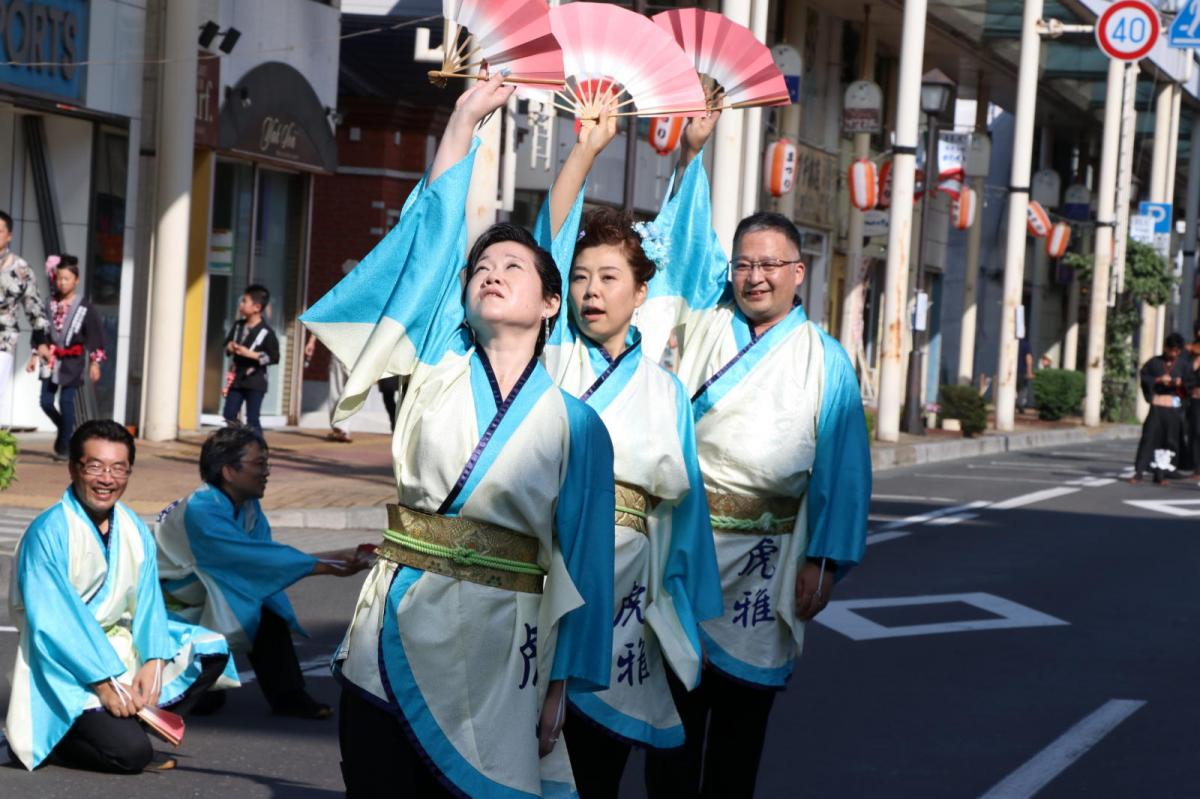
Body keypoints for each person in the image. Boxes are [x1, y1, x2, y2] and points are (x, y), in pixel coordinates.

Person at [301, 73, 615, 798]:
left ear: (551, 303)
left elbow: (587, 567)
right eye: (482, 267)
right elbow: (434, 240)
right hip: (395, 627)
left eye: (514, 265)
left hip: (504, 648)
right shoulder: (439, 363)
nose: (490, 273)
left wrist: (559, 685)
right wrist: (465, 117)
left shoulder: (577, 423)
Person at [638, 114, 872, 799]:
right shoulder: (705, 323)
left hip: (765, 567)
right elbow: (679, 248)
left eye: (771, 264)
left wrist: (824, 560)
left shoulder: (825, 361)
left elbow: (843, 474)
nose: (754, 276)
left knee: (740, 735)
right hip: (684, 552)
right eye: (743, 263)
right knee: (672, 727)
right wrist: (691, 150)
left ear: (799, 273)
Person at [532, 111, 723, 797]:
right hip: (549, 571)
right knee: (537, 751)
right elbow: (545, 242)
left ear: (641, 294)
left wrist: (682, 599)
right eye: (581, 277)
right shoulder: (550, 355)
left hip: (627, 592)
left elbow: (684, 506)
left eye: (609, 278)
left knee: (602, 756)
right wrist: (586, 150)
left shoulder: (665, 388)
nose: (591, 292)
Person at [4, 420, 237, 773]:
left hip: (118, 648)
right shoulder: (49, 532)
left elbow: (148, 602)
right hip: (65, 662)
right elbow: (55, 624)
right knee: (130, 756)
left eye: (118, 468)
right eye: (95, 466)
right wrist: (105, 682)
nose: (107, 479)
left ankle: (128, 719)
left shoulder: (130, 526)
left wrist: (153, 661)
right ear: (74, 468)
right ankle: (61, 741)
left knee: (210, 648)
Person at [155, 426, 367, 719]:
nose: (266, 471)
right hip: (174, 607)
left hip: (205, 596)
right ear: (229, 471)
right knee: (203, 701)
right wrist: (327, 567)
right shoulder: (201, 510)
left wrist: (335, 558)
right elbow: (254, 560)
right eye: (260, 464)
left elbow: (264, 556)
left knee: (267, 608)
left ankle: (288, 695)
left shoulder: (247, 506)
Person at [27, 256, 106, 460]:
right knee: (45, 401)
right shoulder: (48, 304)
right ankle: (66, 431)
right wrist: (35, 354)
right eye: (59, 278)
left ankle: (64, 448)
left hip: (73, 360)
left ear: (76, 280)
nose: (62, 283)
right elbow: (39, 330)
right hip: (51, 358)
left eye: (67, 279)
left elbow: (95, 335)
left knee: (67, 401)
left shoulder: (84, 307)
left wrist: (95, 363)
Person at [0, 210, 50, 412]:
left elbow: (34, 307)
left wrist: (42, 343)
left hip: (3, 338)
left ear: (9, 235)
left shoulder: (22, 268)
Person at [1132, 332, 1192, 484]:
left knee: (1169, 441)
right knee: (1149, 438)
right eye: (1171, 350)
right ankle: (1139, 471)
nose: (1174, 353)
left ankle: (1161, 474)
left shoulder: (1184, 365)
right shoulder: (1154, 363)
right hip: (1157, 407)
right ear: (1165, 348)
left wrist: (1180, 384)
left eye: (1177, 351)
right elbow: (1145, 377)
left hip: (1173, 407)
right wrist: (1158, 380)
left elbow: (1190, 386)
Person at [222, 284, 279, 435]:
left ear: (256, 307)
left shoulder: (267, 332)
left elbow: (274, 357)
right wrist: (230, 346)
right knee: (229, 414)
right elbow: (226, 343)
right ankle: (233, 445)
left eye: (244, 301)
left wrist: (251, 354)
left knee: (252, 418)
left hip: (256, 379)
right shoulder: (238, 326)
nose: (241, 304)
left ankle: (257, 450)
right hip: (237, 378)